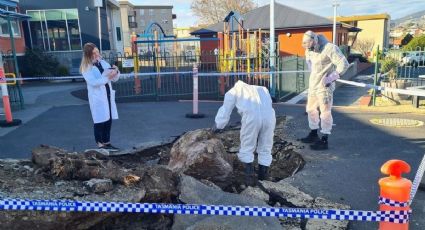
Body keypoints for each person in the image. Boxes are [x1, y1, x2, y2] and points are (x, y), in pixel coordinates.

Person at [213, 80, 276, 185]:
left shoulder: (235, 90)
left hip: (251, 118)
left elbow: (226, 109)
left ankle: (249, 179)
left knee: (247, 147)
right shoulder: (263, 90)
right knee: (265, 147)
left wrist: (218, 126)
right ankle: (264, 180)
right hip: (269, 118)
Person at [300, 30, 349, 150]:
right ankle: (313, 133)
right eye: (305, 45)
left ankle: (324, 139)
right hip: (313, 84)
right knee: (311, 109)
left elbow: (344, 64)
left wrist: (330, 78)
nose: (307, 48)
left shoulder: (330, 48)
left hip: (324, 86)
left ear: (314, 41)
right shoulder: (308, 50)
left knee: (325, 112)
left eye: (309, 46)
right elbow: (311, 64)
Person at [80, 43, 120, 152]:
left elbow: (114, 78)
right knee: (99, 121)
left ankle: (107, 142)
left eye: (97, 51)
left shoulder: (103, 63)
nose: (97, 54)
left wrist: (116, 72)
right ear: (88, 55)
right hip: (97, 97)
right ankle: (100, 144)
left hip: (107, 95)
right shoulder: (86, 67)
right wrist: (108, 77)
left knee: (108, 120)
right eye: (94, 53)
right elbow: (94, 82)